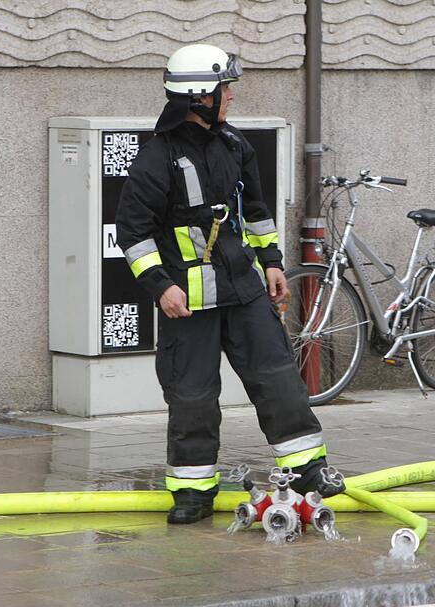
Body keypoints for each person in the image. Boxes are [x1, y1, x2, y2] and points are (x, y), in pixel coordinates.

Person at [115, 43, 341, 524]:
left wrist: (273, 262)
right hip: (188, 302)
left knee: (278, 378)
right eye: (225, 88)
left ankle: (307, 469)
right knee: (192, 396)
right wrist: (160, 286)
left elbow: (255, 212)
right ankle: (193, 493)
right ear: (200, 96)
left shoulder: (235, 144)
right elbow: (132, 233)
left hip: (244, 290)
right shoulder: (157, 157)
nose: (232, 96)